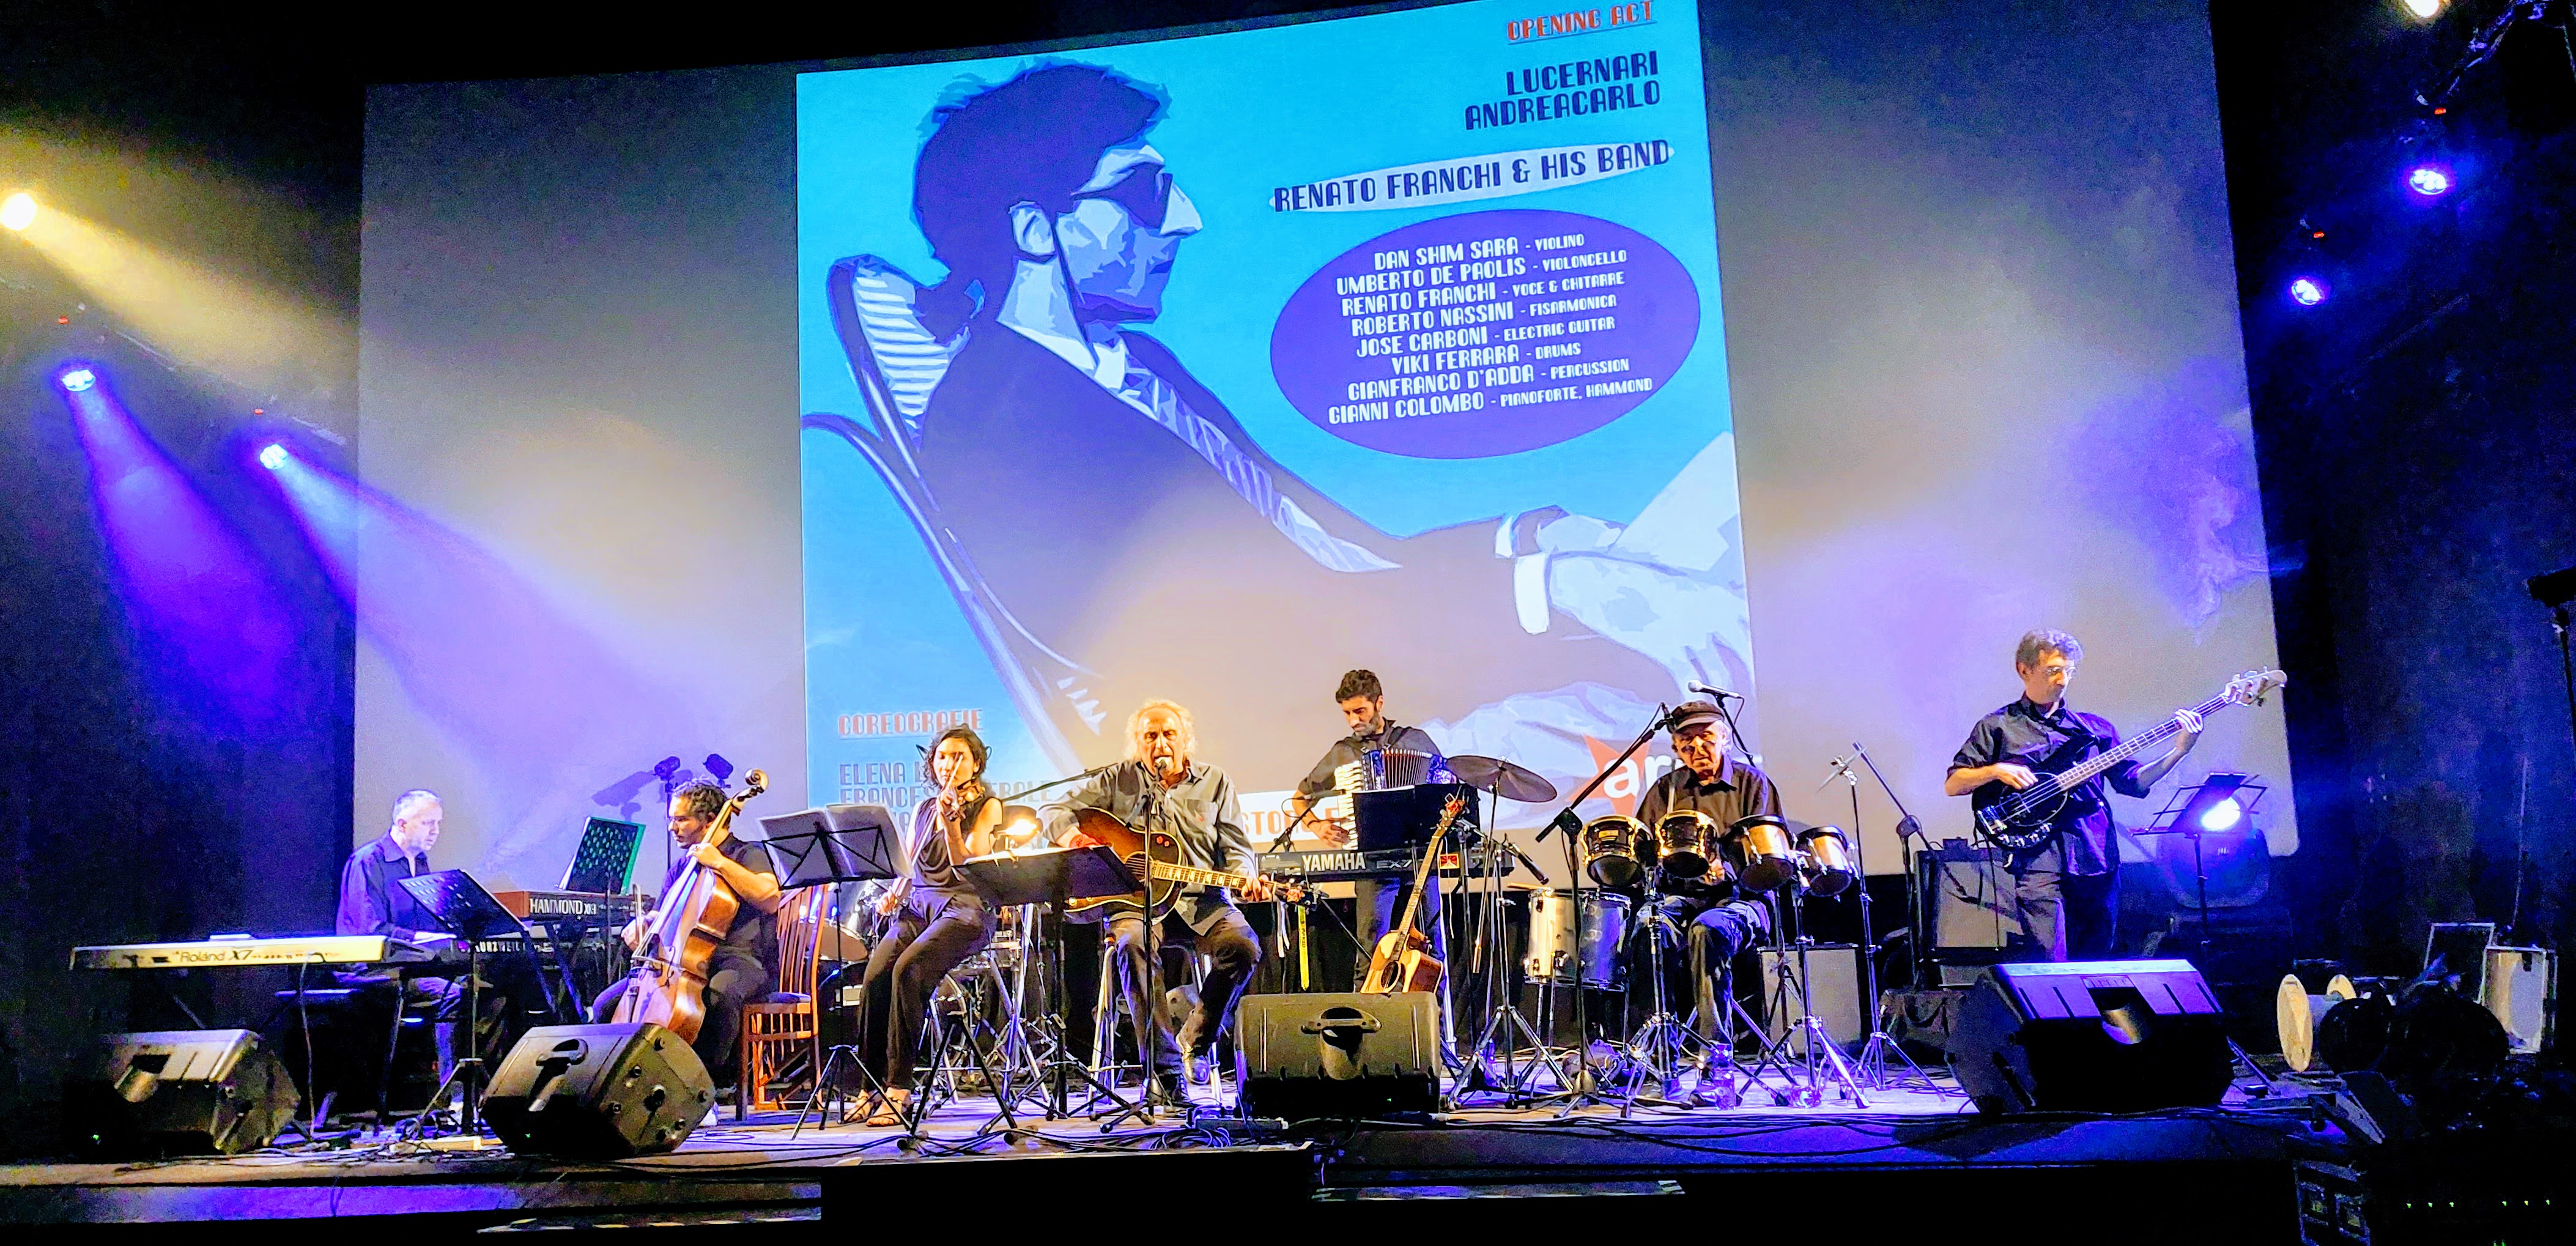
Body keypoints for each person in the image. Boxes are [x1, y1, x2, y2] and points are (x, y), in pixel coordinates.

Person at [820, 61, 1730, 788]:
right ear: (1032, 228)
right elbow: (1260, 631)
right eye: (1144, 195)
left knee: (1710, 526)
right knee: (1695, 648)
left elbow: (1334, 554)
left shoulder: (1135, 365)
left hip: (1379, 659)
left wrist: (1524, 540)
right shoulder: (1002, 432)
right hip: (1298, 737)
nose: (1186, 219)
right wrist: (1545, 592)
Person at [1045, 700, 1269, 1099]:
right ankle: (1166, 1073)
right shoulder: (1116, 780)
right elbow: (1053, 810)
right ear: (1138, 742)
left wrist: (1244, 876)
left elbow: (1237, 849)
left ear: (1186, 739)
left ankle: (1195, 1040)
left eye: (1169, 734)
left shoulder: (1215, 782)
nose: (1160, 743)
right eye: (1150, 736)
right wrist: (1075, 838)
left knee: (1243, 945)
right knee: (1132, 944)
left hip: (1202, 901)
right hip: (1137, 903)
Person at [1944, 629, 2202, 961]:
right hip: (2037, 857)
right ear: (2024, 670)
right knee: (2049, 960)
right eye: (2053, 670)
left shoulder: (2094, 730)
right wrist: (1996, 770)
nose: (2063, 680)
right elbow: (1955, 784)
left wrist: (2179, 751)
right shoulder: (1997, 726)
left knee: (2096, 960)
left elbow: (2134, 782)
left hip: (2094, 854)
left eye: (2069, 671)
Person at [591, 780, 783, 1094]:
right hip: (681, 962)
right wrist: (643, 924)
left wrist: (719, 863)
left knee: (719, 996)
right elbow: (661, 915)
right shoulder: (682, 866)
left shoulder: (747, 853)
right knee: (605, 1005)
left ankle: (706, 1087)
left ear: (710, 820)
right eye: (672, 819)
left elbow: (770, 897)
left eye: (681, 820)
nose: (673, 828)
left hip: (742, 959)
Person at [850, 727, 1002, 1125]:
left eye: (959, 756)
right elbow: (912, 862)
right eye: (942, 757)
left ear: (976, 764)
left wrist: (951, 824)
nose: (949, 764)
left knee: (908, 970)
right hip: (919, 905)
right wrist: (895, 893)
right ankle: (869, 1086)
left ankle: (900, 1088)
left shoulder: (987, 807)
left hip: (964, 906)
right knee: (876, 975)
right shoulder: (922, 808)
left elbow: (969, 866)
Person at [1633, 702, 1780, 1074]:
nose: (1697, 748)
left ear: (1724, 739)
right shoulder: (1665, 791)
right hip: (1681, 896)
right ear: (1676, 749)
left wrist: (1728, 868)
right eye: (1687, 742)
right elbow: (1644, 855)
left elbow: (1768, 857)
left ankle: (1715, 1058)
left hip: (1742, 899)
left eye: (1706, 738)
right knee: (1648, 926)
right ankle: (1659, 1051)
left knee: (1707, 930)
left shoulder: (1752, 784)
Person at [1289, 669, 1455, 977]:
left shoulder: (1415, 741)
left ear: (1379, 703)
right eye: (1347, 713)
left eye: (1360, 711)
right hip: (1373, 863)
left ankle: (1436, 1010)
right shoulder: (1344, 753)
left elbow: (1448, 786)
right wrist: (1317, 826)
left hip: (1422, 859)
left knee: (1433, 950)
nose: (1354, 721)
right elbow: (1300, 799)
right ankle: (1368, 1007)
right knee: (1371, 950)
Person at [335, 789, 472, 1083]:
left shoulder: (420, 863)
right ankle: (451, 1090)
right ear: (402, 823)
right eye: (428, 823)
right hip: (372, 970)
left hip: (410, 966)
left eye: (438, 823)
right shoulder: (369, 860)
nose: (435, 831)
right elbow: (370, 929)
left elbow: (425, 923)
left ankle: (475, 1085)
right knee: (452, 994)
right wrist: (424, 939)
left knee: (485, 990)